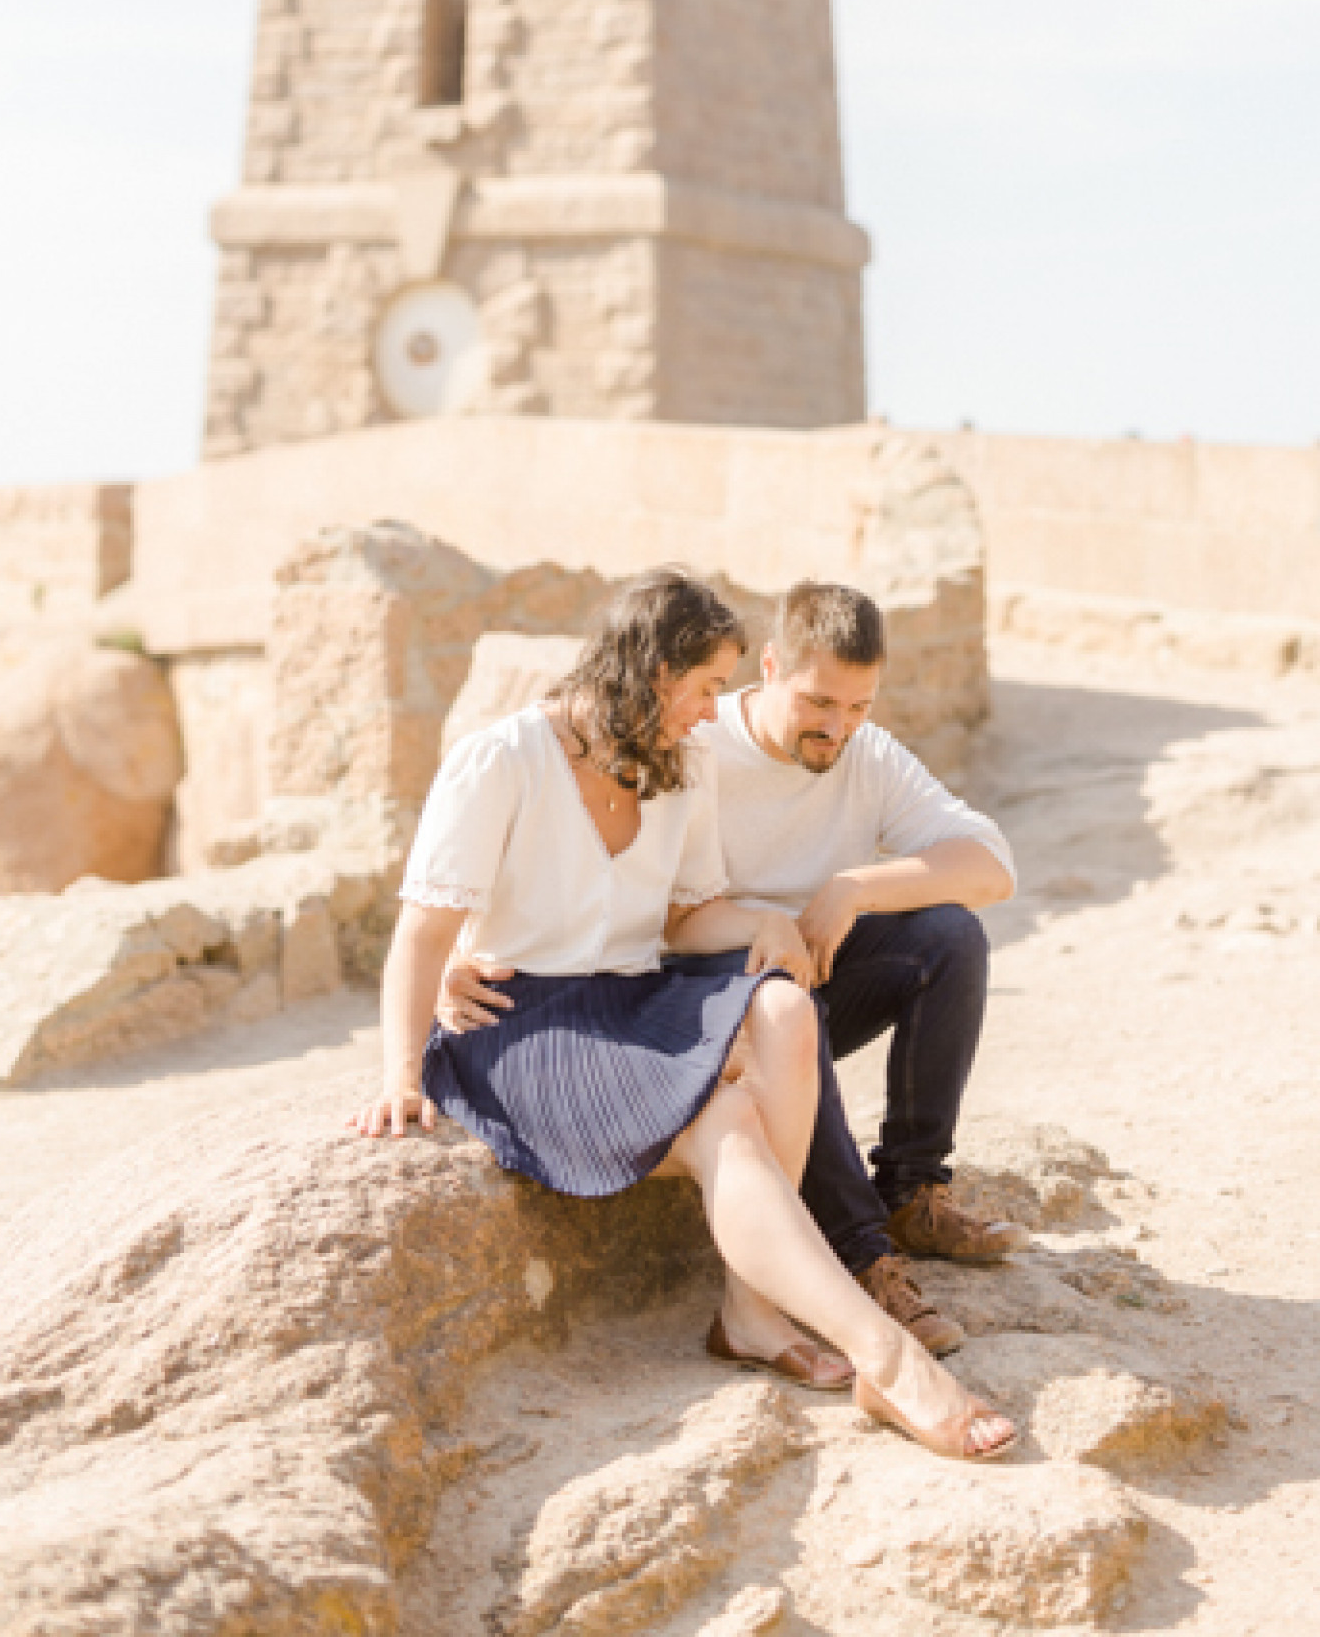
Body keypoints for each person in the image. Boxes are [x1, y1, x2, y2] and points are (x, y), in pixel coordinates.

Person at [347, 565, 1014, 1463]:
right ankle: (883, 1354)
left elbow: (686, 916)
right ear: (653, 671)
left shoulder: (681, 761)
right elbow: (420, 934)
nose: (713, 710)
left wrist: (773, 924)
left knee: (784, 1009)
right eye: (704, 687)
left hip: (633, 999)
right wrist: (401, 1071)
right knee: (726, 1114)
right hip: (526, 1021)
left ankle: (753, 1307)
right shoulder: (502, 759)